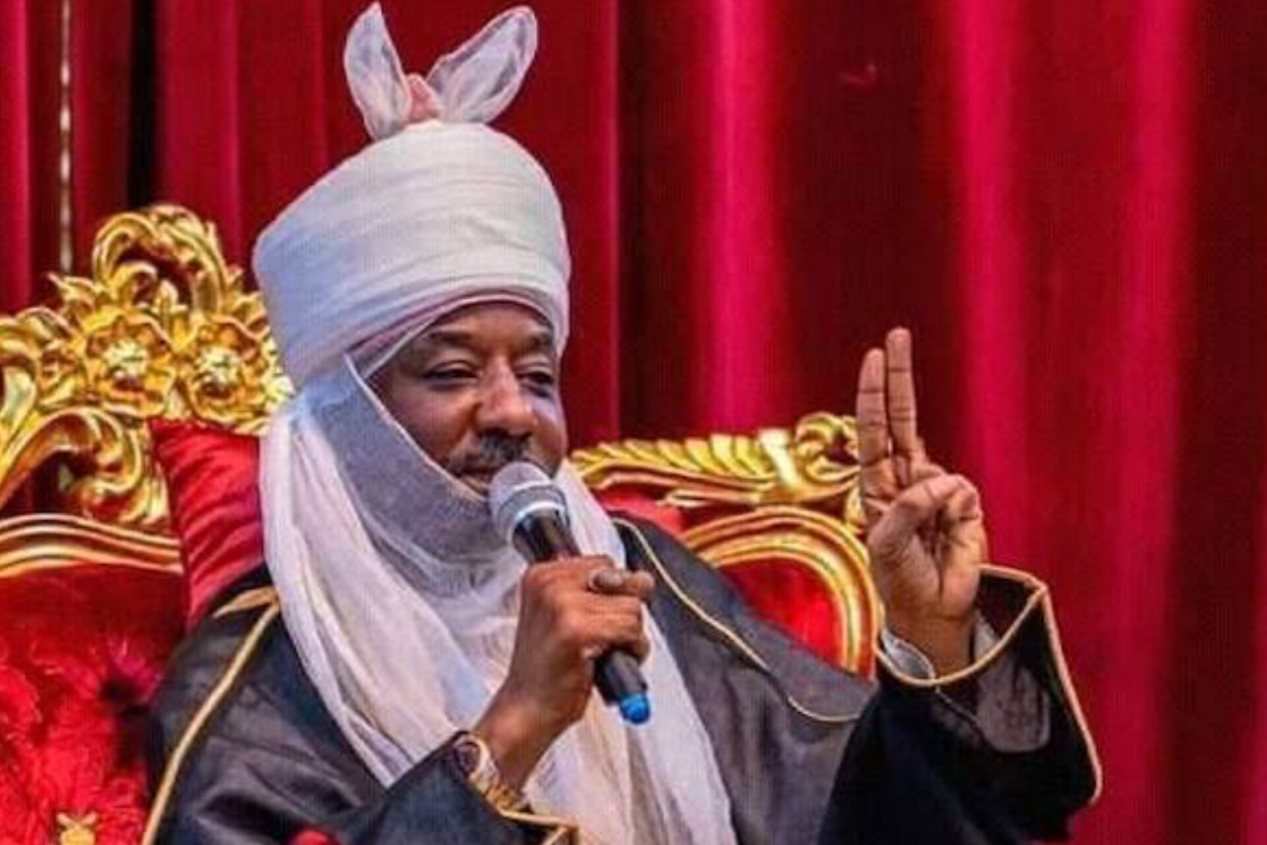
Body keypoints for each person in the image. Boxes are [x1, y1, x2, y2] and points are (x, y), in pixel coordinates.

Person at [144, 5, 1099, 843]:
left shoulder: (638, 576)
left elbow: (852, 821)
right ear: (349, 416)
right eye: (451, 372)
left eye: (537, 373)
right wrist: (512, 729)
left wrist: (933, 640)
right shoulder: (253, 680)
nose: (512, 411)